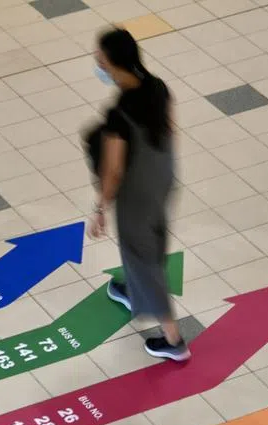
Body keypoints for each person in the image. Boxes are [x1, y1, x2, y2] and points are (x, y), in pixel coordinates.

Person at [86, 28, 188, 361]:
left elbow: (113, 170)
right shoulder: (157, 87)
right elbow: (169, 130)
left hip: (137, 193)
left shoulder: (121, 115)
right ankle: (133, 290)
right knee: (150, 242)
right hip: (162, 177)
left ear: (114, 64)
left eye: (100, 60)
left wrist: (101, 207)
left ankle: (173, 340)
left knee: (141, 253)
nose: (97, 66)